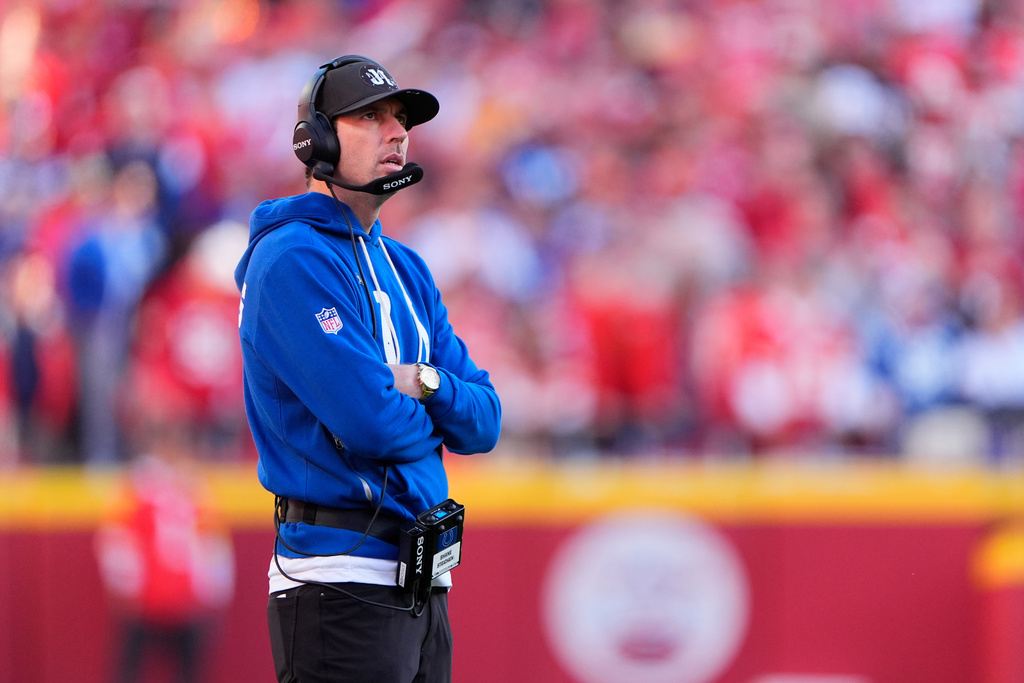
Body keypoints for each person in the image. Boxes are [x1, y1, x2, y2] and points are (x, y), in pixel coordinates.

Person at [233, 55, 502, 683]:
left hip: (422, 581)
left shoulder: (406, 265)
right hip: (337, 580)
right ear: (317, 138)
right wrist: (433, 418)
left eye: (402, 118)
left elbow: (485, 420)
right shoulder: (291, 259)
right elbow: (372, 423)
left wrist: (426, 383)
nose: (396, 131)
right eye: (370, 116)